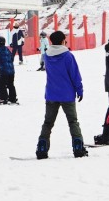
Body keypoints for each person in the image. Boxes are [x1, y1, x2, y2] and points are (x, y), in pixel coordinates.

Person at [36, 30, 88, 159]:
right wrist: (79, 90)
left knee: (48, 123)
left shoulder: (47, 56)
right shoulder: (68, 56)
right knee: (72, 121)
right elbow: (75, 75)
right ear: (63, 41)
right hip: (67, 95)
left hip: (51, 94)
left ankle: (42, 147)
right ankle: (78, 147)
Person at [0, 36, 18, 105]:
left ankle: (4, 98)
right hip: (11, 71)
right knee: (11, 84)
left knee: (1, 85)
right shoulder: (8, 50)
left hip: (4, 72)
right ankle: (12, 98)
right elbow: (11, 59)